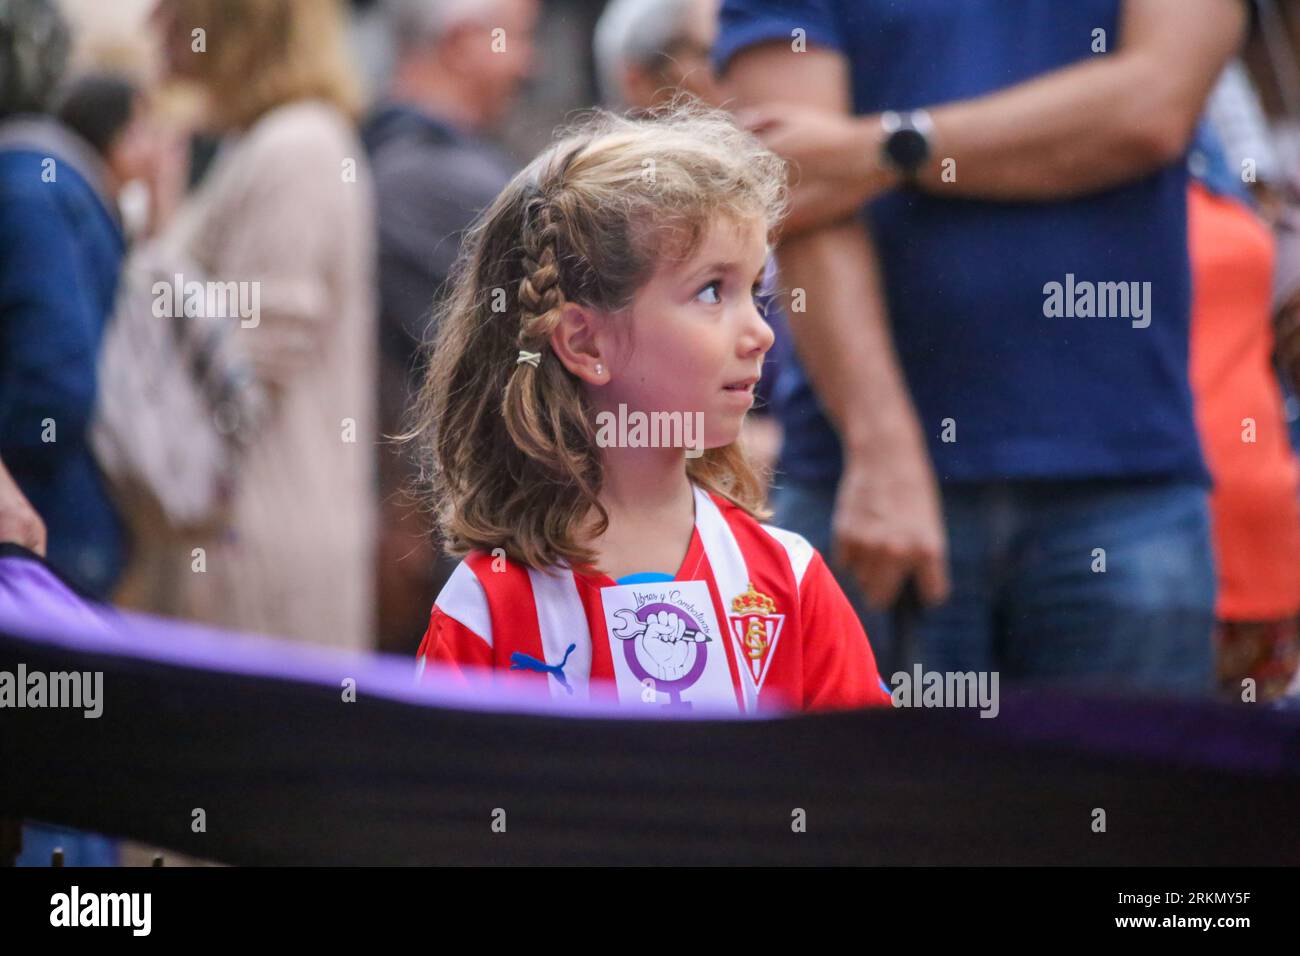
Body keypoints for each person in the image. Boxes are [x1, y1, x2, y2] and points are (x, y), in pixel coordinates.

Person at [715, 0, 1246, 694]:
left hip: (1126, 481)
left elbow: (1152, 109)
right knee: (874, 803)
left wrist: (887, 147)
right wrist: (882, 447)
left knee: (1128, 801)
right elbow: (799, 180)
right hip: (871, 488)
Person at [410, 103, 890, 712]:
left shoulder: (787, 581)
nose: (761, 333)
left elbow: (862, 795)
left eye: (756, 290)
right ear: (585, 341)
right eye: (713, 291)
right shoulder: (489, 606)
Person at [121, 0, 378, 650]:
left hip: (256, 567)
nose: (154, 21)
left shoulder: (298, 148)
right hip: (235, 547)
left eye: (173, 6)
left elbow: (239, 377)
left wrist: (141, 249)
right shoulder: (262, 143)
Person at [363, 0, 538, 653]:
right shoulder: (434, 178)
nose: (532, 61)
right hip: (466, 538)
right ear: (464, 41)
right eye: (519, 37)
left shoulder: (399, 164)